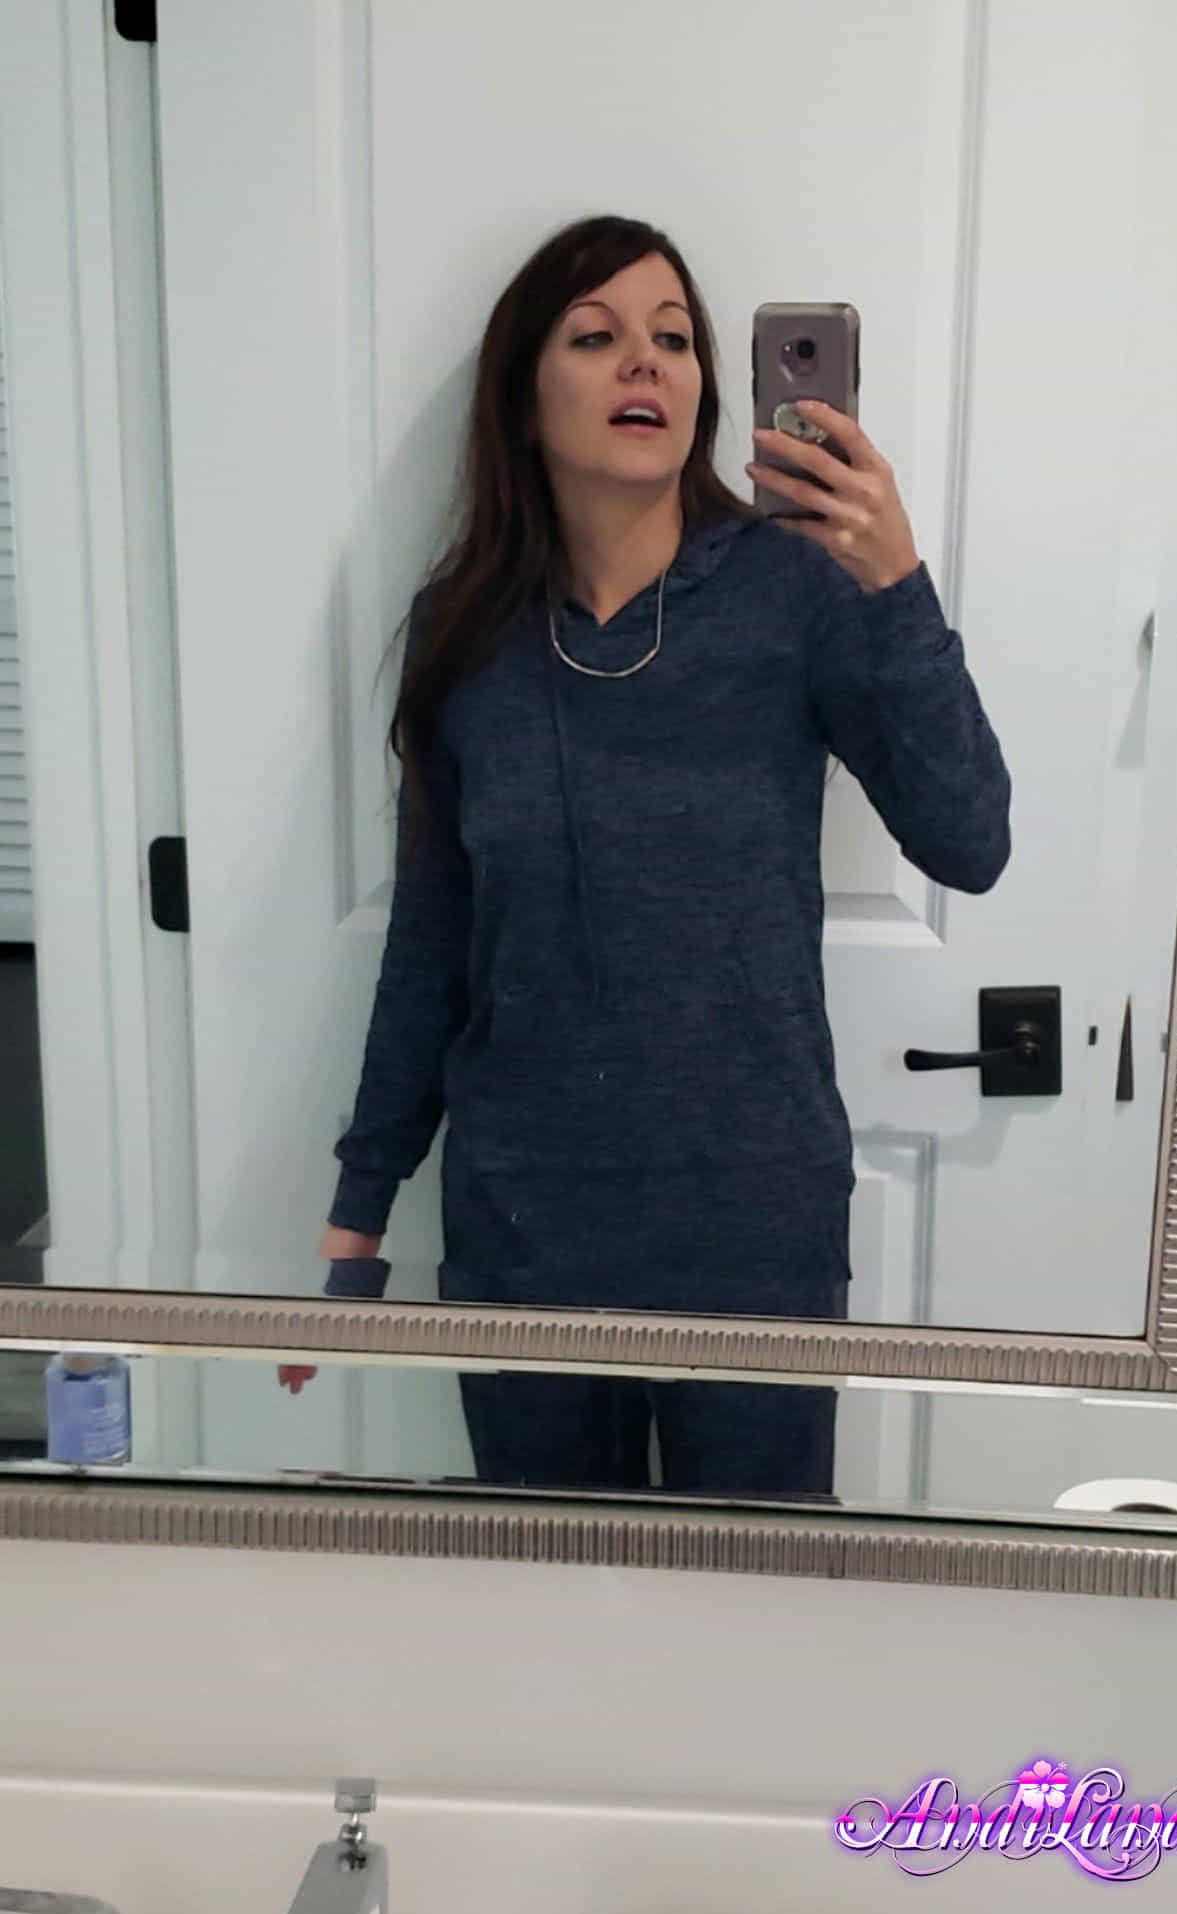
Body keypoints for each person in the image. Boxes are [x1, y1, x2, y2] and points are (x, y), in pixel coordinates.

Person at [278, 214, 1012, 1500]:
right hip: (524, 1227)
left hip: (750, 1224)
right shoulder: (465, 633)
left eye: (672, 339)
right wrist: (359, 1209)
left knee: (755, 1598)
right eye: (594, 336)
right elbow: (434, 946)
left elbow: (969, 839)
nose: (644, 364)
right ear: (523, 396)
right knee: (552, 1597)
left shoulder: (798, 593)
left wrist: (894, 583)